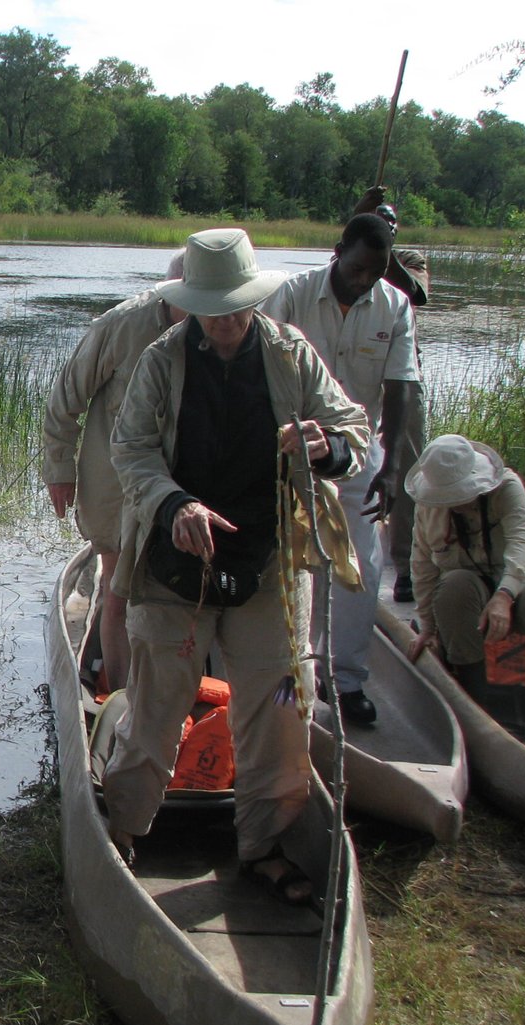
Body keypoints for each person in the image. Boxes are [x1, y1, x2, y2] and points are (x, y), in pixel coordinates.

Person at [105, 228, 371, 901]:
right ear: (188, 304)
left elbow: (356, 431)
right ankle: (121, 832)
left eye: (234, 306)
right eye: (209, 307)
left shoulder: (290, 355)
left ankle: (268, 846)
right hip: (175, 569)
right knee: (157, 708)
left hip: (268, 569)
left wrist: (326, 446)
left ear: (254, 300)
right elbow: (130, 449)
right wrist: (174, 505)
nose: (223, 321)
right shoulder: (162, 361)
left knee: (282, 711)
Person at [261, 213, 421, 726]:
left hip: (356, 449)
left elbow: (400, 388)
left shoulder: (394, 307)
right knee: (285, 559)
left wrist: (392, 467)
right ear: (338, 252)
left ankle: (345, 681)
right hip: (290, 446)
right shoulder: (294, 294)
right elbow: (257, 358)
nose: (364, 280)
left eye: (375, 273)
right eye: (356, 269)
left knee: (362, 568)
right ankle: (285, 673)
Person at [41, 251, 187, 692]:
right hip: (113, 484)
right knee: (118, 590)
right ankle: (120, 696)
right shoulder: (120, 325)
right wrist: (60, 469)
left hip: (176, 486)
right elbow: (66, 399)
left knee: (171, 593)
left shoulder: (215, 331)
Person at [404, 435, 525, 741]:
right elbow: (423, 565)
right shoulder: (427, 506)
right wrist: (428, 627)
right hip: (473, 590)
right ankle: (480, 705)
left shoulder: (507, 487)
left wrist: (504, 595)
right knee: (453, 588)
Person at [356, 185, 432, 602]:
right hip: (358, 368)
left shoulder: (410, 261)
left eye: (390, 226)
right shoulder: (351, 253)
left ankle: (404, 565)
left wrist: (383, 254)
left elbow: (415, 293)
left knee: (405, 462)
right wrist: (359, 225)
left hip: (403, 374)